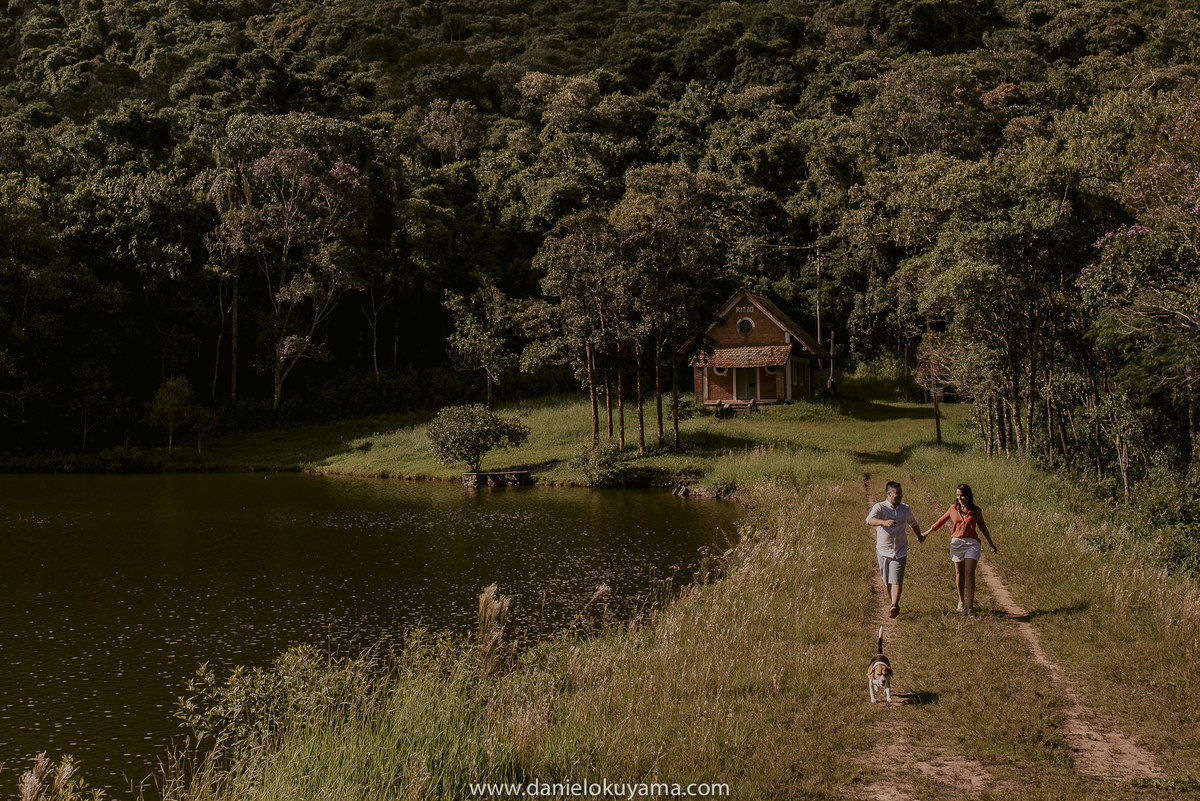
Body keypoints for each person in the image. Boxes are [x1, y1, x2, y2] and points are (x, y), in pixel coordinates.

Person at [919, 483, 997, 619]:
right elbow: (940, 522)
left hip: (972, 543)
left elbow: (983, 528)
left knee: (969, 572)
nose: (960, 498)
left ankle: (970, 607)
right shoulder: (953, 509)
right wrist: (926, 533)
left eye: (962, 496)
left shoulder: (976, 511)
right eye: (957, 495)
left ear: (968, 496)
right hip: (956, 543)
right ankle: (961, 601)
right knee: (959, 573)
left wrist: (991, 544)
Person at [866, 480, 922, 619]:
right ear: (889, 494)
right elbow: (869, 520)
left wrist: (919, 536)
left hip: (900, 551)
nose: (900, 495)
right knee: (887, 581)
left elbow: (913, 523)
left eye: (901, 493)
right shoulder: (880, 507)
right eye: (897, 493)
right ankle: (893, 602)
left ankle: (894, 605)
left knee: (896, 579)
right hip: (883, 550)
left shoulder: (905, 509)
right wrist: (884, 522)